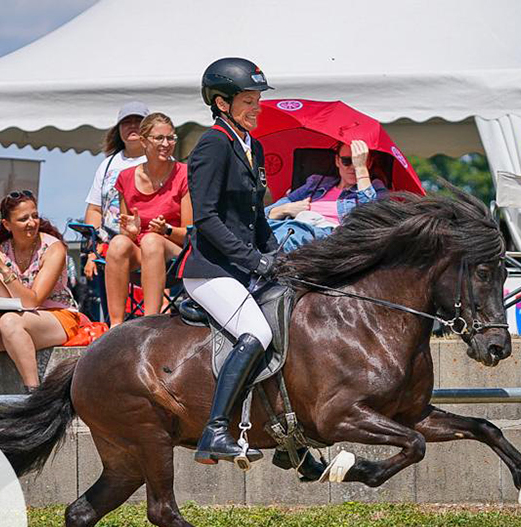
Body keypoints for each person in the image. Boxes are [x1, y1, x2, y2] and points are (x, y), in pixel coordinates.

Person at [180, 57, 278, 465]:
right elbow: (206, 219)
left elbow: (254, 218)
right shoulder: (213, 144)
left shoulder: (251, 146)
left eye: (258, 99)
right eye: (249, 100)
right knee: (257, 332)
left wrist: (278, 257)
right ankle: (215, 429)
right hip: (210, 271)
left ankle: (291, 440)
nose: (257, 107)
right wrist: (254, 261)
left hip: (242, 266)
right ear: (222, 103)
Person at [0, 191, 79, 393]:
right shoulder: (0, 251)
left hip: (57, 315)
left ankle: (33, 392)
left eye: (34, 216)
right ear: (7, 224)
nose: (31, 222)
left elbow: (32, 301)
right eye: (23, 219)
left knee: (10, 321)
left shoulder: (53, 248)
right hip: (18, 320)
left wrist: (3, 270)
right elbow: (2, 301)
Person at [104, 112, 190, 326]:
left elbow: (191, 233)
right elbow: (127, 231)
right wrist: (130, 232)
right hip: (141, 252)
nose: (166, 143)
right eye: (159, 138)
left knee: (151, 240)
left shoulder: (184, 174)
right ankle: (114, 325)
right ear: (143, 141)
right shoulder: (125, 177)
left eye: (170, 138)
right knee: (117, 243)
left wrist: (166, 230)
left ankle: (149, 322)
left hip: (175, 253)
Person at [265, 139, 386, 248]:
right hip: (288, 227)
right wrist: (286, 208)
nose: (353, 167)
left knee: (293, 234)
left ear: (369, 164)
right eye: (347, 161)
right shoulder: (316, 182)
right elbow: (264, 214)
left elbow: (372, 219)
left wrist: (361, 170)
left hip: (325, 237)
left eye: (358, 162)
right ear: (337, 161)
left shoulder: (374, 188)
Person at [82, 101, 150, 282]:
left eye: (139, 121)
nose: (133, 126)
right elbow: (95, 209)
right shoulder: (107, 164)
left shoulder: (161, 160)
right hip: (108, 249)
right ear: (118, 129)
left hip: (146, 249)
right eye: (127, 122)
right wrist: (93, 250)